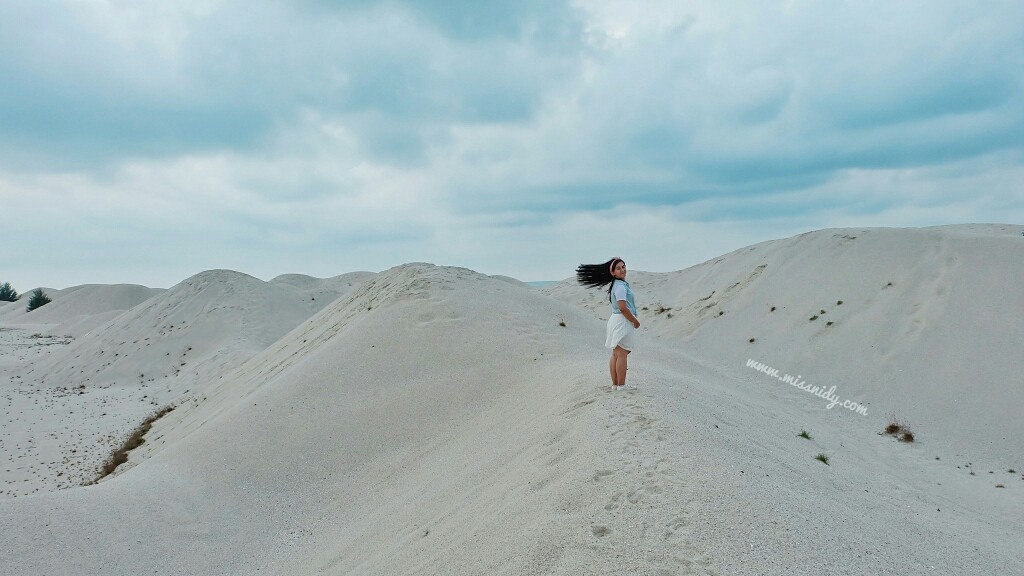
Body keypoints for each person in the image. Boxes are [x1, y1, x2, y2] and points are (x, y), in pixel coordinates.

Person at [576, 257, 640, 389]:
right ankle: (621, 386)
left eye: (623, 267)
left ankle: (615, 385)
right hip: (622, 321)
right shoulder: (620, 286)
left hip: (615, 320)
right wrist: (635, 321)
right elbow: (622, 307)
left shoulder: (616, 285)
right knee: (622, 354)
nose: (622, 270)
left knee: (616, 353)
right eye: (618, 268)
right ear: (612, 272)